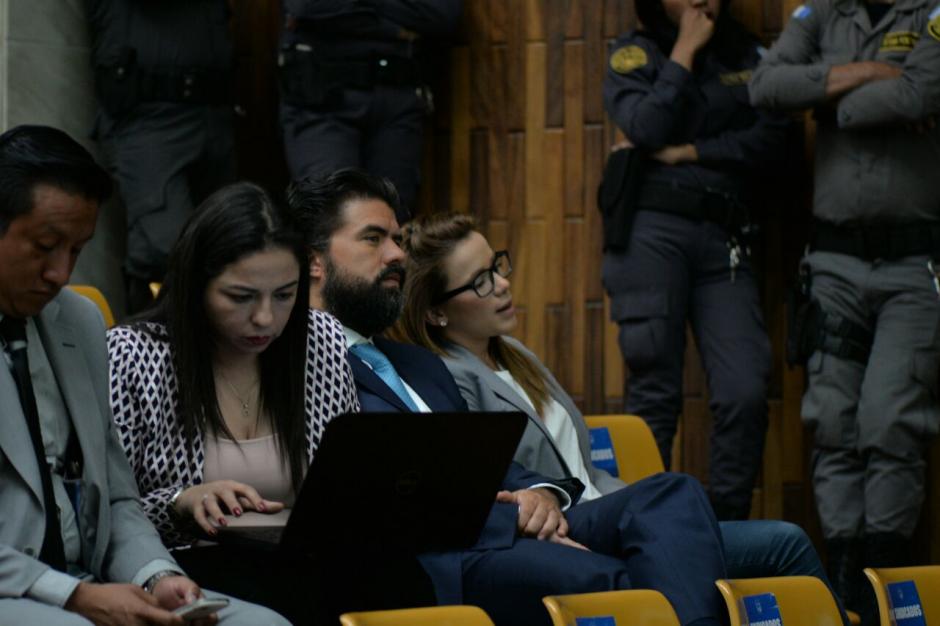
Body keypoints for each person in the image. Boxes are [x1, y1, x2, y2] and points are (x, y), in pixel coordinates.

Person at [287, 168, 737, 626]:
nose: (396, 254)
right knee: (609, 578)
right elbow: (389, 496)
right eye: (373, 239)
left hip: (507, 526)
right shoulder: (301, 361)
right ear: (314, 261)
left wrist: (539, 493)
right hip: (439, 555)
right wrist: (514, 518)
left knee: (673, 493)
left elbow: (492, 464)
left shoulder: (416, 363)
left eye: (397, 239)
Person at [393, 212, 853, 624]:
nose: (502, 283)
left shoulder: (515, 356)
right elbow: (490, 490)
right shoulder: (448, 381)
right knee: (769, 535)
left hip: (612, 515)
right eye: (480, 281)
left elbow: (586, 471)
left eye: (498, 265)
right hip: (570, 529)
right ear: (435, 312)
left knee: (762, 533)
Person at [0, 125, 287, 625]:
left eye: (77, 250)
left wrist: (158, 576)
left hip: (87, 584)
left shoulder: (79, 322)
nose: (61, 273)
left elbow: (115, 497)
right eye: (45, 246)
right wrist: (73, 596)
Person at [749, 1, 940, 620]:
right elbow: (765, 85)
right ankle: (844, 579)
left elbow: (920, 93)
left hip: (914, 265)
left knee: (890, 422)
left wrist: (827, 97)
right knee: (832, 423)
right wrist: (869, 73)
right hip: (831, 262)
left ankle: (883, 577)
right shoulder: (821, 13)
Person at [107, 181, 360, 623]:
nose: (265, 318)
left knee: (409, 582)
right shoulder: (132, 354)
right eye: (241, 297)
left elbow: (349, 476)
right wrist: (181, 502)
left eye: (285, 295)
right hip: (190, 567)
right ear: (195, 285)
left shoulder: (320, 337)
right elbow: (106, 513)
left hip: (307, 560)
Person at [602, 0, 791, 521]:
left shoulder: (750, 54)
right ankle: (648, 525)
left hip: (725, 234)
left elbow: (777, 140)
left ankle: (726, 527)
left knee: (745, 389)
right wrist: (684, 49)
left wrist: (694, 153)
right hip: (652, 230)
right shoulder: (635, 52)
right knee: (654, 390)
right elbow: (644, 125)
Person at [87, 0, 237, 312]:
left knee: (228, 245)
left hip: (212, 113)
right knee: (170, 249)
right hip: (148, 119)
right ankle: (148, 351)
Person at [279, 1, 461, 222]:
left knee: (394, 220)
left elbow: (441, 15)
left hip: (396, 98)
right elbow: (308, 6)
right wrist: (392, 25)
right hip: (323, 99)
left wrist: (353, 15)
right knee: (332, 218)